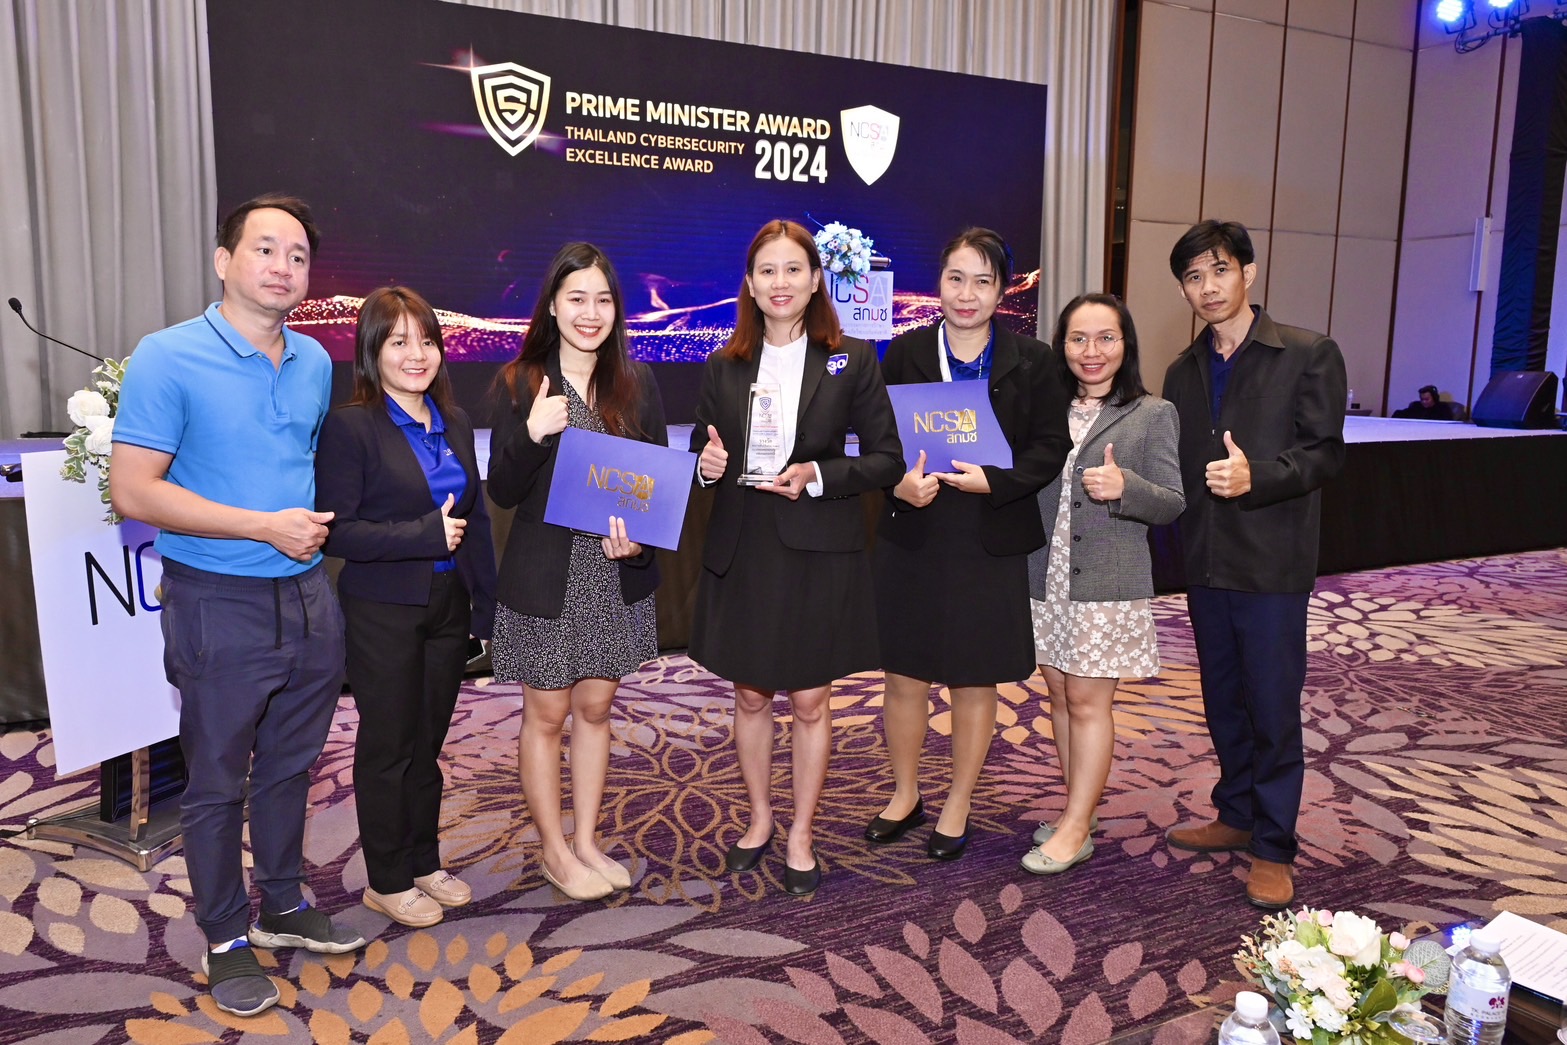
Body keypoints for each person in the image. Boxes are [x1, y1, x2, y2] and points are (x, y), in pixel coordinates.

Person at [109, 194, 365, 1018]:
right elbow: (132, 490)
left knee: (292, 764)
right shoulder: (167, 356)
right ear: (224, 261)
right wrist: (260, 526)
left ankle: (282, 902)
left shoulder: (315, 360)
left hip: (308, 596)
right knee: (218, 779)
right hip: (218, 599)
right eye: (265, 249)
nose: (282, 267)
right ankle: (225, 935)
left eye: (298, 255)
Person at [689, 219, 902, 895]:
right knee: (750, 694)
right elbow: (702, 448)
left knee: (811, 700)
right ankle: (758, 819)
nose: (779, 282)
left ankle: (801, 832)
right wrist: (706, 464)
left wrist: (817, 475)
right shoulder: (722, 364)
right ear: (749, 285)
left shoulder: (852, 358)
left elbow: (885, 459)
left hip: (816, 547)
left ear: (815, 280)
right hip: (745, 545)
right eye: (766, 271)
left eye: (792, 269)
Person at [865, 228, 1071, 861]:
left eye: (983, 281)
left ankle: (958, 801)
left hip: (989, 534)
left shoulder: (1033, 360)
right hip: (915, 532)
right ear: (940, 282)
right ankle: (905, 794)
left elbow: (1050, 447)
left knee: (974, 679)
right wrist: (898, 484)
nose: (966, 294)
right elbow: (881, 440)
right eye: (956, 278)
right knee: (904, 674)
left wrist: (998, 481)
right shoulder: (905, 352)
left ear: (1002, 291)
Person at [1160, 220, 1346, 909]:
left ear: (1248, 272)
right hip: (1205, 561)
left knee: (1271, 705)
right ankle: (1235, 812)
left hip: (1271, 564)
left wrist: (1256, 476)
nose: (1207, 287)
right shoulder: (1181, 370)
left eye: (1218, 270)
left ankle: (1273, 844)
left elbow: (1325, 453)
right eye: (1192, 277)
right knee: (1221, 699)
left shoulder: (1308, 353)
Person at [487, 243, 666, 902]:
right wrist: (533, 433)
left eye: (602, 299)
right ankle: (554, 851)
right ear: (553, 307)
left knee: (595, 710)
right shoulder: (522, 382)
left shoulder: (636, 383)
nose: (590, 313)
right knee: (546, 715)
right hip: (548, 578)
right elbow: (502, 490)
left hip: (611, 576)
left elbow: (656, 488)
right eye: (576, 298)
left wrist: (638, 543)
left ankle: (586, 840)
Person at [314, 286, 497, 928]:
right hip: (382, 609)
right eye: (398, 342)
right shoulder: (351, 426)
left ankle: (424, 862)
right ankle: (386, 878)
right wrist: (424, 535)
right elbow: (338, 532)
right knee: (388, 746)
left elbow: (474, 520)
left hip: (446, 605)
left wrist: (487, 604)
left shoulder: (455, 422)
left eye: (426, 340)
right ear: (372, 352)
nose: (416, 354)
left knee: (428, 744)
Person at [1021, 293, 1184, 875]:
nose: (1091, 351)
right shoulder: (1044, 409)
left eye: (1106, 338)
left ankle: (1074, 828)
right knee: (1060, 697)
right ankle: (1078, 813)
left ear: (1125, 345)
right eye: (1078, 338)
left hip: (1106, 583)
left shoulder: (1152, 413)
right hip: (1044, 577)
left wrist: (1126, 489)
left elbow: (1172, 502)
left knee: (1089, 703)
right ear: (1061, 346)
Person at [1392, 384, 1460, 420]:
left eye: (1427, 399)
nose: (1424, 402)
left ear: (1434, 398)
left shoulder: (1442, 408)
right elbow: (1399, 414)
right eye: (1422, 399)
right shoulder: (1416, 406)